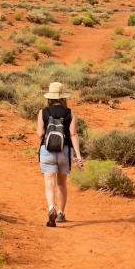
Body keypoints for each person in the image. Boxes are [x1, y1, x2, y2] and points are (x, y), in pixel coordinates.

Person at [36, 82, 84, 227]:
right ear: (63, 97)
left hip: (47, 150)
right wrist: (78, 156)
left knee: (49, 183)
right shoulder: (70, 112)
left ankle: (51, 208)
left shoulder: (42, 112)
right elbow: (73, 134)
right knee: (62, 183)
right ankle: (61, 213)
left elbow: (40, 134)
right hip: (65, 151)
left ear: (50, 97)